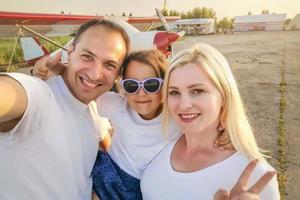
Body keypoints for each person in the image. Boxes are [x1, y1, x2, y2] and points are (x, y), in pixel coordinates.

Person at [0, 19, 130, 199]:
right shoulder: (40, 95)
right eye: (87, 56)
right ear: (70, 53)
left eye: (109, 65)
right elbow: (9, 95)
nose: (94, 74)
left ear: (117, 75)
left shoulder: (94, 110)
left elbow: (108, 150)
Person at [140, 43, 280, 200]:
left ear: (224, 96)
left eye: (198, 91)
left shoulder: (254, 176)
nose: (184, 105)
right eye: (174, 92)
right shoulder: (161, 140)